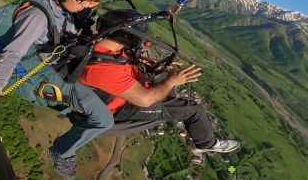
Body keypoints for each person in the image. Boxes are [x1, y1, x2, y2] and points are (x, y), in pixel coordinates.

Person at [0, 0, 114, 179]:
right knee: (104, 119)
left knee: (102, 89)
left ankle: (76, 115)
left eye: (92, 0)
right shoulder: (37, 18)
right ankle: (62, 152)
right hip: (32, 77)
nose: (86, 5)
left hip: (47, 61)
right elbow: (12, 54)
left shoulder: (59, 7)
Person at [79, 9, 240, 153]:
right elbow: (145, 100)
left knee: (165, 75)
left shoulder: (100, 46)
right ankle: (206, 143)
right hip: (121, 106)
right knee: (194, 110)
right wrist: (171, 82)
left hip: (122, 89)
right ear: (128, 36)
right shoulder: (102, 67)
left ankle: (171, 100)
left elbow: (125, 63)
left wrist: (157, 68)